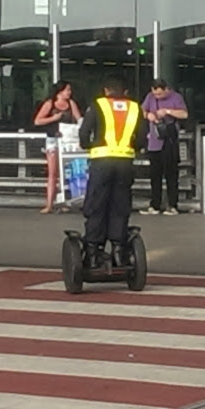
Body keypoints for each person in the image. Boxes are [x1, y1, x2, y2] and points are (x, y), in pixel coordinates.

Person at [79, 75, 144, 273]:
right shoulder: (135, 108)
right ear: (125, 92)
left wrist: (90, 145)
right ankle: (118, 250)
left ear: (106, 90)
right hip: (125, 163)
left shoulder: (97, 105)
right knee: (120, 205)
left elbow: (84, 134)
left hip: (101, 162)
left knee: (96, 204)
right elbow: (142, 139)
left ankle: (93, 252)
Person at [139, 79, 188, 216]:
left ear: (166, 89)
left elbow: (184, 114)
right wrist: (147, 115)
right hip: (154, 141)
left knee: (171, 175)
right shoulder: (150, 97)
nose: (157, 97)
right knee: (155, 175)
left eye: (160, 94)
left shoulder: (176, 97)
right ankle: (155, 204)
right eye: (155, 94)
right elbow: (141, 110)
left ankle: (172, 205)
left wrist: (167, 111)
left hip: (169, 142)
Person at [34, 80, 82, 214]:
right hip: (53, 139)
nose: (69, 93)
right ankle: (49, 203)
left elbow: (79, 119)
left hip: (67, 140)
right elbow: (37, 121)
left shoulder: (71, 104)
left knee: (66, 172)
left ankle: (64, 201)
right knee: (53, 173)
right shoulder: (50, 104)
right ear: (60, 91)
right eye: (67, 90)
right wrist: (53, 118)